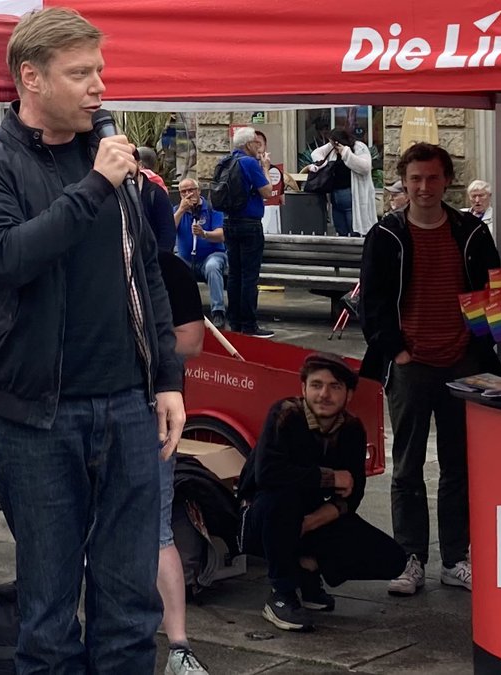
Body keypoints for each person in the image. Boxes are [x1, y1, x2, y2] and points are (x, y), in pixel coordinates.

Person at [0, 8, 185, 673]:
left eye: (100, 71)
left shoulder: (112, 166)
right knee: (49, 616)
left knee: (129, 610)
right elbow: (10, 255)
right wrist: (94, 186)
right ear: (32, 77)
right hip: (39, 418)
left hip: (128, 408)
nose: (99, 88)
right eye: (80, 74)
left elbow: (147, 275)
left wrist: (167, 378)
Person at [359, 142, 501, 596]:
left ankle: (456, 557)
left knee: (460, 465)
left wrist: (483, 349)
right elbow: (373, 303)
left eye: (432, 178)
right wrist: (395, 350)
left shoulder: (474, 234)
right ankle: (410, 557)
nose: (423, 187)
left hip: (464, 362)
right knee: (407, 465)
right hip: (411, 364)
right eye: (415, 178)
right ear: (405, 181)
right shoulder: (385, 235)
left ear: (447, 181)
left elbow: (491, 293)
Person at [236, 353, 407, 632]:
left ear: (349, 394)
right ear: (303, 388)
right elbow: (268, 475)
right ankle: (281, 593)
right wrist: (329, 478)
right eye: (316, 385)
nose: (324, 394)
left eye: (335, 386)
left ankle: (307, 568)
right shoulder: (285, 414)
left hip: (309, 518)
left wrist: (311, 522)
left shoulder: (351, 429)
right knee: (283, 497)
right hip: (261, 516)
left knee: (392, 558)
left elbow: (354, 493)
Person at [153, 250, 209, 675]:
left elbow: (192, 340)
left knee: (157, 529)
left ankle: (179, 646)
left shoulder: (166, 267)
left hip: (148, 413)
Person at [224, 126, 275, 338]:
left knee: (234, 275)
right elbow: (268, 191)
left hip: (229, 222)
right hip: (249, 224)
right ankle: (249, 324)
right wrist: (265, 168)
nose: (258, 146)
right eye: (256, 143)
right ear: (248, 144)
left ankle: (233, 321)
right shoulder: (249, 163)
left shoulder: (225, 161)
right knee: (249, 276)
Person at [174, 177, 227, 328]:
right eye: (183, 192)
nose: (188, 194)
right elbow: (168, 230)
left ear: (198, 191)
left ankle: (218, 311)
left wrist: (204, 234)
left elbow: (221, 234)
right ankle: (181, 312)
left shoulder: (212, 209)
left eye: (191, 190)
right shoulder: (178, 210)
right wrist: (181, 210)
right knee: (172, 265)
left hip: (211, 255)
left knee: (212, 266)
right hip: (187, 258)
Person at [307, 128, 376, 236]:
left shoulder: (358, 147)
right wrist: (323, 162)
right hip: (335, 197)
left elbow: (365, 167)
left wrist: (346, 153)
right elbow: (316, 153)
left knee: (353, 229)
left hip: (351, 197)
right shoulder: (332, 149)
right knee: (340, 230)